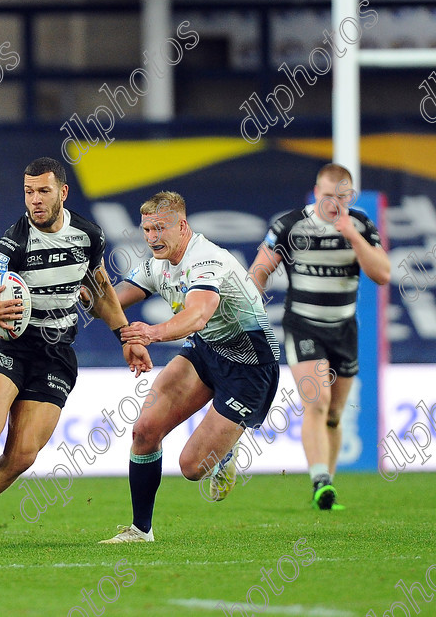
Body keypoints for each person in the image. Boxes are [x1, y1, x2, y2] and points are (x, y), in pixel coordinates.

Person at [0, 157, 152, 551]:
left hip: (57, 352)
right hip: (13, 346)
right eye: (28, 192)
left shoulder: (88, 235)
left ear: (62, 192)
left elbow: (100, 290)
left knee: (22, 455)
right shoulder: (12, 244)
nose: (35, 200)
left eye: (43, 191)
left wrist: (126, 336)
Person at [100, 191, 280, 543]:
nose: (152, 238)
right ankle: (141, 530)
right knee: (144, 431)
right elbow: (110, 302)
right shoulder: (157, 264)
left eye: (160, 229)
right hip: (205, 352)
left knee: (191, 467)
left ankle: (227, 450)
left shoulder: (207, 259)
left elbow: (197, 315)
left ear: (182, 226)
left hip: (250, 366)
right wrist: (84, 290)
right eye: (146, 230)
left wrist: (149, 334)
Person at [248, 163, 390, 510]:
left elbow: (383, 274)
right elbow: (259, 270)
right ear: (316, 192)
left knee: (334, 414)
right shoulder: (290, 225)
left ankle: (327, 483)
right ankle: (320, 481)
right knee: (317, 401)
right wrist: (251, 303)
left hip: (343, 328)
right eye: (328, 196)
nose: (334, 203)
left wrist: (352, 235)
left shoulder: (359, 224)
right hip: (303, 324)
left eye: (342, 197)